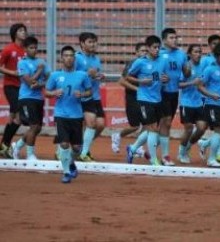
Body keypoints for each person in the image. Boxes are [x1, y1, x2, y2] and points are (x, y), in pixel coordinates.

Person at [45, 45, 92, 183]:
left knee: (77, 148)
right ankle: (66, 173)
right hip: (61, 115)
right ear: (61, 58)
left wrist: (82, 94)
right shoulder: (55, 75)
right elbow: (47, 92)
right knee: (64, 144)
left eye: (71, 56)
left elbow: (89, 92)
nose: (69, 58)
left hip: (77, 115)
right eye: (66, 56)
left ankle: (70, 162)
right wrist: (54, 93)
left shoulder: (82, 75)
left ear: (74, 58)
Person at [126, 35, 168, 166]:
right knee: (153, 129)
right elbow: (128, 76)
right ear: (148, 48)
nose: (157, 50)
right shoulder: (140, 62)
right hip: (144, 99)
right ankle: (154, 159)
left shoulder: (162, 61)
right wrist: (140, 81)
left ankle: (132, 149)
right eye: (154, 47)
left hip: (158, 98)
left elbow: (164, 77)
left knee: (156, 129)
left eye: (158, 47)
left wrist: (166, 79)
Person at [11, 36, 50, 160]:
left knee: (38, 127)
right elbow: (29, 82)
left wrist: (40, 84)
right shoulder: (22, 63)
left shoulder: (41, 62)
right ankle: (30, 154)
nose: (34, 50)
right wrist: (39, 72)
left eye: (35, 47)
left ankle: (17, 145)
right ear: (25, 49)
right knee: (34, 126)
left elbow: (49, 78)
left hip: (39, 98)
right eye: (31, 48)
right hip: (26, 98)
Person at [111, 42, 148, 156]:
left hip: (145, 98)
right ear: (136, 52)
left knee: (147, 125)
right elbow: (121, 81)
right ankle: (117, 136)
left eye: (146, 51)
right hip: (133, 98)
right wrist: (137, 89)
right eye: (142, 51)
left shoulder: (150, 64)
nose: (144, 53)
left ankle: (138, 146)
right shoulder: (133, 64)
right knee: (135, 126)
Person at [158, 28, 189, 166]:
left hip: (174, 92)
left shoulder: (181, 54)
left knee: (163, 125)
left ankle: (135, 147)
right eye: (171, 37)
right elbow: (151, 71)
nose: (175, 40)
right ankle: (165, 156)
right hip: (160, 92)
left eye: (176, 37)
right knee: (166, 122)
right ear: (164, 40)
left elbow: (186, 73)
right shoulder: (159, 54)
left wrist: (187, 71)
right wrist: (158, 78)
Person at [197, 34, 220, 163]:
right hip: (212, 104)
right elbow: (199, 86)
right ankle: (211, 159)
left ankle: (205, 144)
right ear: (216, 56)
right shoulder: (210, 69)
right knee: (218, 131)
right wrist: (211, 95)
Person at [75, 32, 105, 162]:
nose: (93, 44)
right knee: (87, 124)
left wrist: (99, 76)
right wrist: (87, 73)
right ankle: (82, 152)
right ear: (82, 44)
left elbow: (94, 75)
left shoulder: (96, 59)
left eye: (94, 42)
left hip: (95, 96)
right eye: (90, 42)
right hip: (80, 96)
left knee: (100, 125)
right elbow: (71, 74)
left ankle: (81, 148)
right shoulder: (77, 57)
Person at [0, 23, 27, 157]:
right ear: (15, 33)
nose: (24, 32)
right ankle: (5, 144)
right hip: (10, 85)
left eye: (24, 30)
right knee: (18, 113)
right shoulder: (8, 49)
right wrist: (12, 72)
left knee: (17, 118)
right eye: (21, 30)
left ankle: (4, 144)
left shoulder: (27, 51)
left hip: (24, 88)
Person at [177, 44, 207, 164]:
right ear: (189, 54)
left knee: (201, 128)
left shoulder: (203, 66)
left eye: (200, 52)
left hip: (199, 102)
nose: (198, 54)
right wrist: (192, 83)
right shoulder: (186, 67)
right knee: (188, 129)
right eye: (195, 52)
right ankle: (181, 152)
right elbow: (179, 84)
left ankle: (188, 146)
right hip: (186, 102)